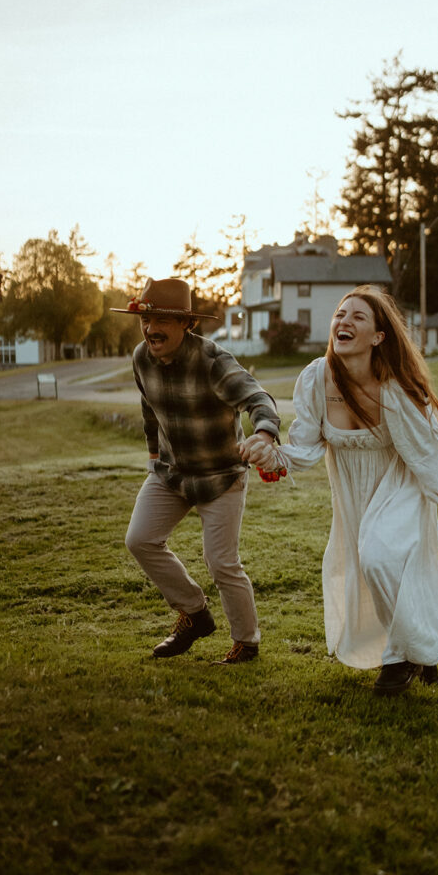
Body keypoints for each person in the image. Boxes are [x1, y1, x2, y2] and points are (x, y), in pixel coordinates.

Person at [241, 285, 438, 696]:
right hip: (353, 492)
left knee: (379, 558)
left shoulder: (395, 388)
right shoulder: (318, 376)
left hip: (399, 482)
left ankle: (401, 659)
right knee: (374, 569)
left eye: (357, 317)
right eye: (339, 314)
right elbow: (303, 444)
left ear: (377, 337)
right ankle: (420, 649)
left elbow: (427, 454)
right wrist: (270, 455)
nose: (343, 322)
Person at [114, 277, 280, 664]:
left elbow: (259, 399)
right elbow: (148, 411)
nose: (151, 330)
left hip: (222, 476)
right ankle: (194, 613)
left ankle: (247, 642)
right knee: (140, 539)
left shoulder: (213, 362)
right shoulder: (141, 357)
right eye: (146, 320)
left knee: (221, 563)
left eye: (163, 323)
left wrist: (266, 435)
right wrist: (154, 456)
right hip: (170, 475)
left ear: (186, 324)